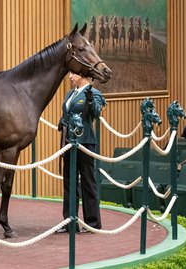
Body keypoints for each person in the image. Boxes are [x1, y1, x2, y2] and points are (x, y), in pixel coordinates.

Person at [56, 72, 105, 234]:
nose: (70, 76)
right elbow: (67, 112)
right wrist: (62, 122)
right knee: (69, 183)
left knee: (87, 182)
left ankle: (93, 222)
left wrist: (91, 101)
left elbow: (96, 114)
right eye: (69, 73)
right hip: (69, 142)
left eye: (74, 74)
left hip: (85, 143)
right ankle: (70, 222)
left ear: (83, 75)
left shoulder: (93, 92)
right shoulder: (71, 93)